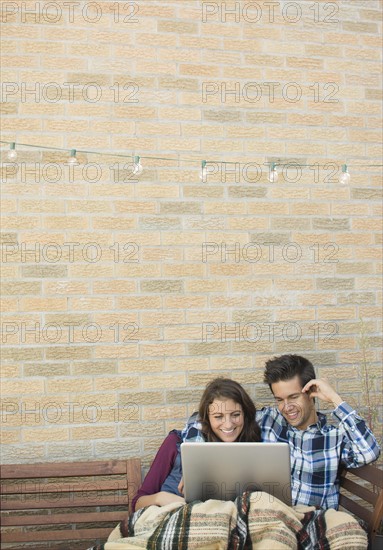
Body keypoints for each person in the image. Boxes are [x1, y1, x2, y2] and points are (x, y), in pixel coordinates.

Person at [182, 354, 380, 510]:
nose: (287, 407)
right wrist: (193, 466)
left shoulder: (332, 437)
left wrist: (335, 399)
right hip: (269, 518)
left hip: (309, 522)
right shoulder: (269, 420)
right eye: (279, 399)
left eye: (293, 397)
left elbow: (369, 452)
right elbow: (204, 422)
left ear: (311, 393)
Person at [131, 377, 261, 511]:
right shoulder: (175, 443)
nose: (228, 424)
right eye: (218, 417)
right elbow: (137, 503)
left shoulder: (256, 451)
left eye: (235, 415)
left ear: (245, 414)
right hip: (175, 519)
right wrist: (160, 497)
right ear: (206, 418)